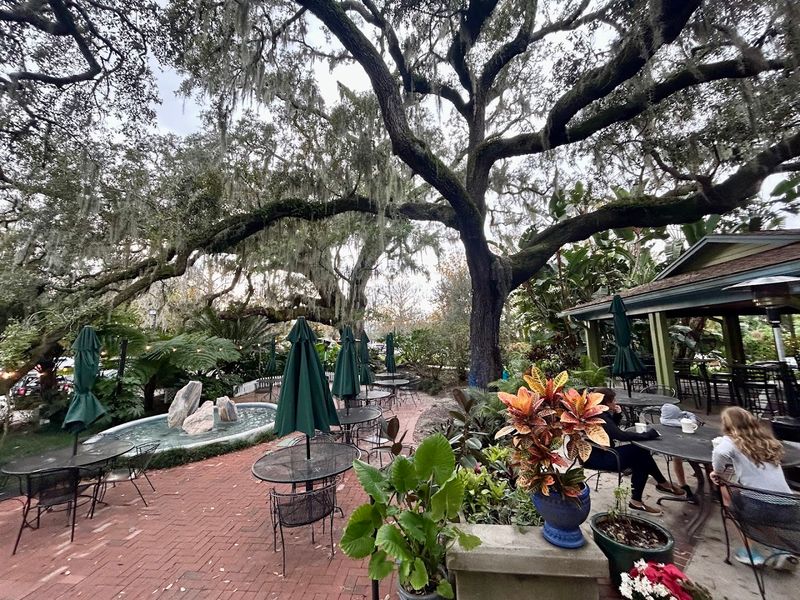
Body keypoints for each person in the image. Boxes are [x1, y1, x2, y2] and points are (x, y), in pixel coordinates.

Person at [710, 406, 796, 570]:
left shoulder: (731, 440)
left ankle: (751, 553)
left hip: (759, 504)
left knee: (729, 504)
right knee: (756, 512)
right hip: (787, 504)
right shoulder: (766, 440)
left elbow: (720, 453)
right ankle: (780, 550)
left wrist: (717, 471)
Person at [584, 387, 685, 515]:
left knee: (640, 457)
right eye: (613, 400)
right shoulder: (599, 415)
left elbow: (609, 431)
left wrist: (617, 414)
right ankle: (657, 486)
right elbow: (620, 435)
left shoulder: (595, 413)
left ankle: (649, 492)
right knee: (640, 453)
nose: (615, 402)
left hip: (602, 453)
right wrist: (647, 435)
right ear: (607, 402)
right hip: (601, 457)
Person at [659, 404, 699, 499]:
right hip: (681, 446)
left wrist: (683, 414)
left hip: (681, 445)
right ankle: (684, 484)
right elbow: (692, 421)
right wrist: (686, 415)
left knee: (677, 458)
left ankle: (683, 484)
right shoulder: (678, 422)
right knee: (677, 457)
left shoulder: (665, 419)